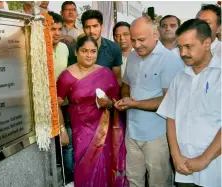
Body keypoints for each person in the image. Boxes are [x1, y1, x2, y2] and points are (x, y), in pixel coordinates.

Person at [114, 16, 184, 187]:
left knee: (158, 182)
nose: (136, 45)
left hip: (157, 134)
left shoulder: (169, 60)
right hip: (133, 131)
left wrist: (134, 104)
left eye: (141, 40)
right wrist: (125, 98)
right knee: (133, 180)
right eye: (133, 40)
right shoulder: (132, 57)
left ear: (155, 35)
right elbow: (126, 84)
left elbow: (169, 101)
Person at [157, 19, 221, 187]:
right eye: (180, 47)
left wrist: (204, 159)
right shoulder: (179, 78)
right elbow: (171, 118)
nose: (183, 52)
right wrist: (175, 155)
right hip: (183, 168)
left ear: (207, 43)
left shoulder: (220, 76)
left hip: (215, 169)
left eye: (189, 46)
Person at [57, 35, 128, 187]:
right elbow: (55, 103)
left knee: (105, 165)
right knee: (85, 166)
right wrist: (62, 129)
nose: (89, 55)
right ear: (76, 52)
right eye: (84, 51)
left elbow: (117, 101)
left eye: (93, 51)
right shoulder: (66, 76)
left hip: (105, 128)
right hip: (81, 131)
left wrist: (108, 103)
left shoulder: (106, 73)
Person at [81, 10, 123, 85]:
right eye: (87, 27)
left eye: (95, 26)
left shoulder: (114, 48)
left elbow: (117, 78)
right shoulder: (75, 49)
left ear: (102, 27)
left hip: (107, 93)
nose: (91, 31)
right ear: (83, 29)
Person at [48, 11, 69, 80]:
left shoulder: (64, 47)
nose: (57, 33)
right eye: (53, 29)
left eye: (60, 29)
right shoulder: (38, 49)